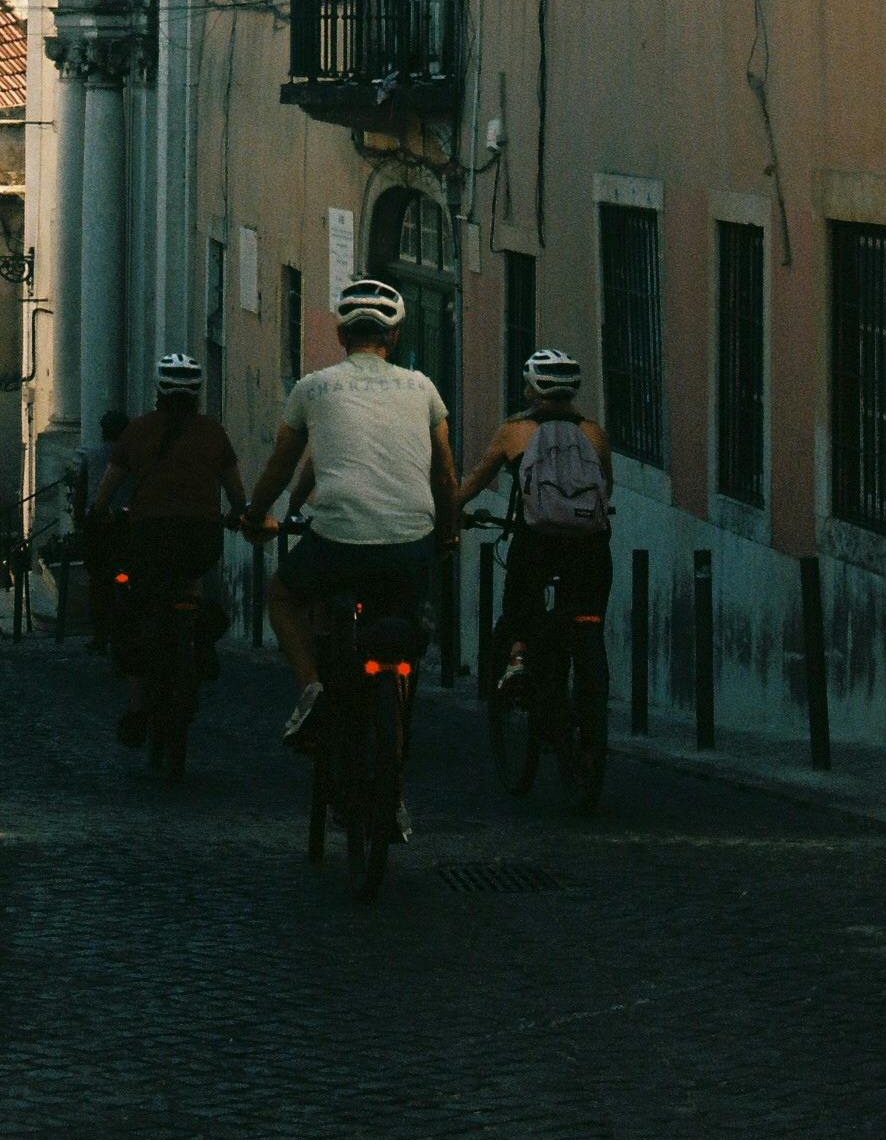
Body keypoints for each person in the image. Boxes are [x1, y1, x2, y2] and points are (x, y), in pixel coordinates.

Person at [242, 276, 459, 783]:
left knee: (283, 596)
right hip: (410, 542)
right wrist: (447, 535)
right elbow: (445, 476)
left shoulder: (313, 388)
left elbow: (281, 465)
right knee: (403, 652)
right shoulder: (423, 388)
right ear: (395, 337)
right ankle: (394, 782)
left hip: (337, 541)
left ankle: (313, 687)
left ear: (341, 336)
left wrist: (255, 514)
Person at [87, 352, 246, 745]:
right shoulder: (213, 433)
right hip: (200, 537)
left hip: (149, 538)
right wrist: (239, 514)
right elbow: (236, 492)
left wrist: (97, 513)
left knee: (139, 614)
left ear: (158, 390)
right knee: (193, 583)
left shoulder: (137, 431)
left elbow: (106, 489)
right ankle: (201, 640)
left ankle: (138, 707)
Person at [455, 347, 615, 697]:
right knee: (587, 617)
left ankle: (518, 657)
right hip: (590, 546)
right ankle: (589, 687)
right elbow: (607, 489)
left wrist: (451, 512)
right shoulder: (594, 434)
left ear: (531, 390)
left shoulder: (514, 432)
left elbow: (474, 483)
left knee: (519, 605)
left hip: (538, 541)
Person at [75, 409, 131, 649]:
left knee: (98, 582)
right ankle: (127, 630)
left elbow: (80, 490)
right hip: (125, 523)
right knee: (128, 576)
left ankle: (100, 636)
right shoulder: (135, 457)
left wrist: (79, 520)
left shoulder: (91, 455)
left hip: (97, 525)